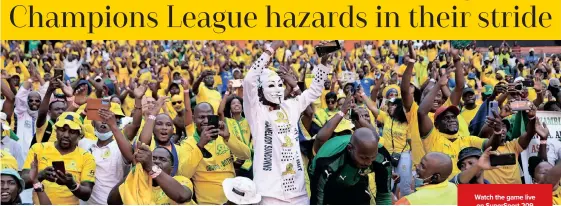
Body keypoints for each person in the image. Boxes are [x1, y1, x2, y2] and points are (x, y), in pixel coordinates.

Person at [243, 41, 331, 204]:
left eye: (279, 85)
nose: (277, 89)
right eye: (271, 85)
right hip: (269, 193)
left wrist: (323, 64)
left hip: (298, 193)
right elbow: (249, 81)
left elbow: (314, 91)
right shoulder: (256, 112)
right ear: (261, 90)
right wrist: (270, 50)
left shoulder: (291, 106)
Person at [177, 102, 251, 205]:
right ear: (194, 119)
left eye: (209, 117)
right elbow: (184, 174)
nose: (206, 121)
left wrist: (228, 137)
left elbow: (246, 155)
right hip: (209, 202)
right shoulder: (187, 144)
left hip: (234, 199)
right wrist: (200, 145)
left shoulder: (224, 136)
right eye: (201, 117)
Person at [21, 112, 96, 205]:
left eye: (72, 131)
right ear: (56, 130)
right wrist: (41, 175)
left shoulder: (87, 157)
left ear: (80, 135)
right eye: (62, 129)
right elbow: (22, 182)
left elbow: (86, 194)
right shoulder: (38, 149)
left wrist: (72, 184)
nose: (66, 135)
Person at [309, 128, 392, 205]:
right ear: (349, 148)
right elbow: (317, 202)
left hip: (354, 179)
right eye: (363, 158)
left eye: (373, 157)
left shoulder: (383, 157)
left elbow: (384, 196)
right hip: (329, 182)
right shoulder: (327, 163)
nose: (368, 163)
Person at [107, 145, 194, 205]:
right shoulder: (138, 184)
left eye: (163, 159)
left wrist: (151, 166)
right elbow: (112, 201)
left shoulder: (181, 180)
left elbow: (182, 196)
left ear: (172, 169)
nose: (156, 161)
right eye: (153, 158)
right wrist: (136, 169)